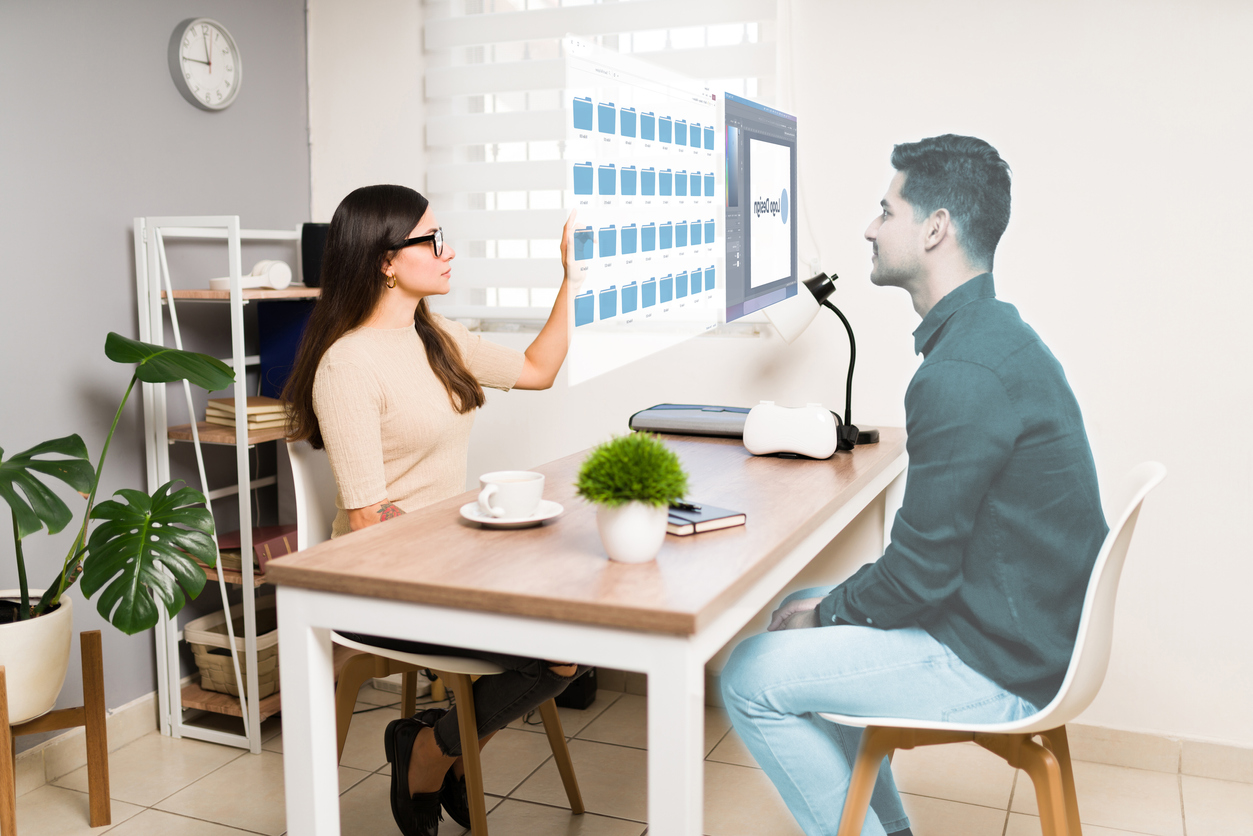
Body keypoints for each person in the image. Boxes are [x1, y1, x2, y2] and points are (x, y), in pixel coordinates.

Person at [720, 135, 1108, 836]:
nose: (869, 228)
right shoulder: (994, 336)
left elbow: (917, 578)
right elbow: (923, 569)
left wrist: (830, 614)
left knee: (749, 673)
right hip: (1026, 628)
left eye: (885, 209)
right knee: (800, 604)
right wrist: (824, 609)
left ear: (934, 229)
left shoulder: (961, 374)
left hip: (1003, 661)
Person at [283, 184, 585, 836]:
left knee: (579, 622)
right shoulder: (347, 364)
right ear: (386, 260)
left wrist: (570, 278)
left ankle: (433, 743)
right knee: (561, 644)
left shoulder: (433, 334)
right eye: (433, 240)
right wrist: (469, 544)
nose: (449, 253)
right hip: (384, 578)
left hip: (450, 558)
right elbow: (366, 518)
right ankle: (431, 750)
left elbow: (537, 369)